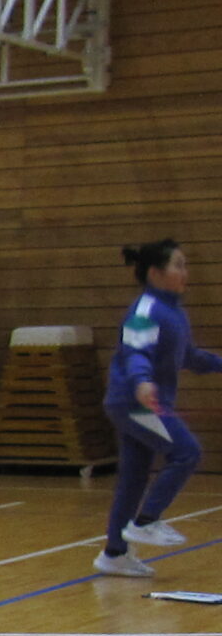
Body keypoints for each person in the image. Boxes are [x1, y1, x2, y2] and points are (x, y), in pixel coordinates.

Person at [94, 237, 217, 579]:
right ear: (155, 273)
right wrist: (142, 381)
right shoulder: (146, 310)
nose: (185, 271)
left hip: (138, 401)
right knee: (187, 452)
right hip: (135, 402)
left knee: (133, 479)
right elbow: (136, 352)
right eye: (178, 265)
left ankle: (114, 553)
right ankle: (147, 521)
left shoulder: (173, 311)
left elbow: (190, 357)